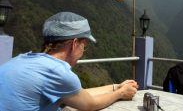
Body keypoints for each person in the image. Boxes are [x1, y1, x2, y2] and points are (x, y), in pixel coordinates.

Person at [0, 11, 138, 111]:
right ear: (75, 43)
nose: (83, 51)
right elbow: (89, 104)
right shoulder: (57, 71)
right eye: (84, 45)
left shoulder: (22, 59)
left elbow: (79, 93)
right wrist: (120, 93)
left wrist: (116, 86)